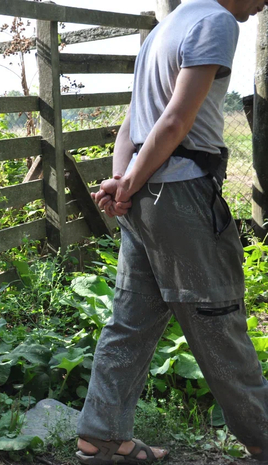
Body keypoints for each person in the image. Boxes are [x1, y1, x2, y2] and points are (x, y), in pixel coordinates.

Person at [76, 0, 268, 463]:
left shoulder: (166, 27)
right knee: (218, 320)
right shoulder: (216, 21)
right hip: (180, 199)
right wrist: (130, 184)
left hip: (144, 201)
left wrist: (123, 184)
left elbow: (132, 123)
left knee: (132, 319)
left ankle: (100, 436)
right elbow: (176, 120)